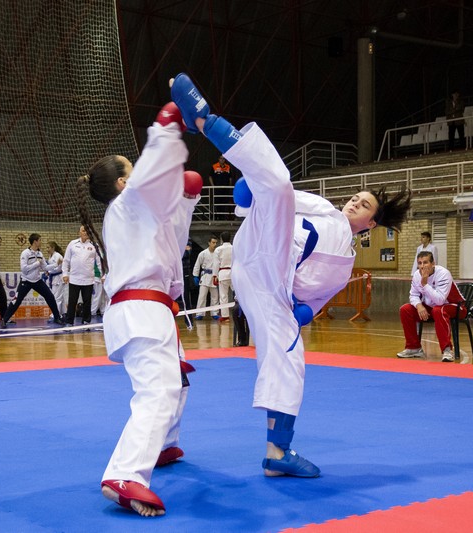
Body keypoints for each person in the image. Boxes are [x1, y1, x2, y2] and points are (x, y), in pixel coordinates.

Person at [171, 72, 412, 478]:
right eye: (356, 196)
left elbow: (314, 299)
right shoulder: (323, 208)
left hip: (271, 286)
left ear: (371, 223)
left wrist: (304, 311)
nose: (355, 201)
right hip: (264, 245)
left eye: (364, 203)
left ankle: (277, 453)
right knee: (279, 183)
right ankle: (203, 119)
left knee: (290, 357)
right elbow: (275, 198)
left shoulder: (347, 262)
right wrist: (250, 190)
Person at [76, 102, 200, 516]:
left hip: (152, 309)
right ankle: (125, 474)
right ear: (122, 183)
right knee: (156, 391)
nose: (138, 175)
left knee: (172, 385)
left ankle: (161, 445)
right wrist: (166, 129)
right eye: (131, 170)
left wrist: (186, 199)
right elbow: (150, 179)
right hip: (141, 309)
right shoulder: (126, 205)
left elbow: (171, 240)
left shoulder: (137, 214)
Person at [397, 251, 466, 362]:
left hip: (455, 307)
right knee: (405, 309)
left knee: (439, 310)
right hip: (432, 308)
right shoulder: (416, 275)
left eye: (425, 262)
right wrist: (419, 305)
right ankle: (414, 347)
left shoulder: (443, 273)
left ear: (433, 263)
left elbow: (440, 300)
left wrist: (425, 284)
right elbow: (413, 295)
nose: (422, 266)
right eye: (419, 263)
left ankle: (447, 350)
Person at [0, 233, 64, 328]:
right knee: (16, 300)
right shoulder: (25, 253)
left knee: (50, 296)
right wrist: (37, 263)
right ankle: (4, 319)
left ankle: (57, 317)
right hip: (26, 281)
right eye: (40, 240)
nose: (41, 242)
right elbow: (24, 269)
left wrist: (56, 265)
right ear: (35, 242)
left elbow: (45, 267)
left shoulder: (40, 254)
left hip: (37, 281)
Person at [62, 225, 99, 325]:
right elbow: (66, 260)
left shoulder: (94, 245)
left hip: (88, 279)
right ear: (79, 232)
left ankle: (86, 321)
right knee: (72, 301)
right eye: (83, 231)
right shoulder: (72, 244)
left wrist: (103, 275)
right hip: (74, 278)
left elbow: (99, 262)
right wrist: (65, 274)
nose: (85, 232)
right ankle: (69, 322)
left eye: (87, 231)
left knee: (87, 302)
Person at [192, 236, 219, 320]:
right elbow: (197, 265)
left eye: (215, 243)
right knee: (202, 296)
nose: (214, 244)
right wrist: (195, 275)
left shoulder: (217, 253)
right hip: (205, 276)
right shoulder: (203, 253)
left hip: (214, 276)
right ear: (209, 243)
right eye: (213, 242)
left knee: (215, 296)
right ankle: (200, 313)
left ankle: (214, 312)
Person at [213, 231, 233, 323]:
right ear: (230, 238)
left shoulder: (218, 249)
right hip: (233, 273)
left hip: (223, 273)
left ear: (221, 239)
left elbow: (216, 263)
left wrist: (214, 275)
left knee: (223, 296)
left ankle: (225, 316)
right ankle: (242, 313)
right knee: (238, 295)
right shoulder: (234, 248)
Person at [44, 241, 66, 321]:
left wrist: (49, 271)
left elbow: (58, 268)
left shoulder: (58, 256)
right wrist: (47, 271)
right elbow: (50, 267)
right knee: (60, 297)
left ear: (53, 248)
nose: (47, 249)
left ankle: (55, 315)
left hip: (58, 278)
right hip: (54, 278)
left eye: (48, 247)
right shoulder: (51, 256)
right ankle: (64, 313)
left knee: (57, 297)